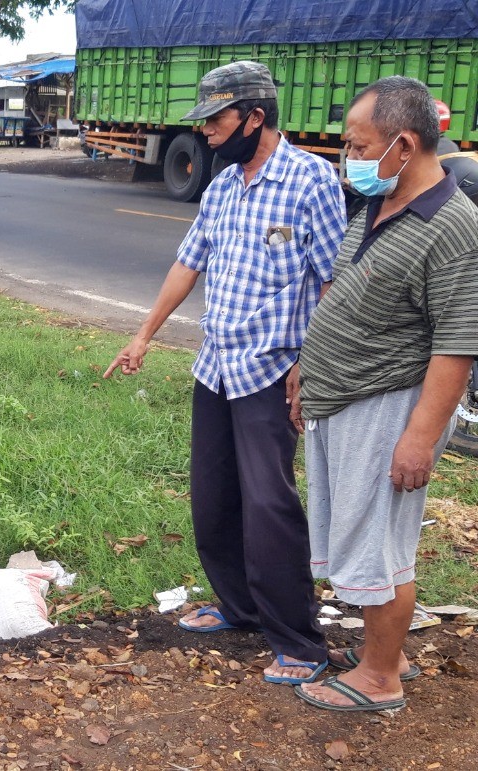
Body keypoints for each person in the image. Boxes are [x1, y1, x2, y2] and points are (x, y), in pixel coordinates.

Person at [103, 61, 347, 685]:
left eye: (216, 119)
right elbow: (189, 265)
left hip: (271, 371)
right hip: (215, 368)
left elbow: (333, 283)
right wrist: (142, 335)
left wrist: (310, 367)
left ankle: (299, 639)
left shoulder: (310, 182)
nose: (206, 131)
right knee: (213, 501)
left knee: (269, 505)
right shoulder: (220, 187)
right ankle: (238, 608)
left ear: (255, 117)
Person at [293, 76, 478, 712]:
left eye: (357, 143)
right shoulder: (380, 201)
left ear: (402, 144)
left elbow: (457, 344)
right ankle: (386, 652)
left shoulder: (454, 226)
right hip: (344, 398)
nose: (350, 156)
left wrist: (420, 437)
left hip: (389, 407)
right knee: (358, 533)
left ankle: (379, 680)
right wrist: (308, 369)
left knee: (379, 545)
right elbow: (347, 291)